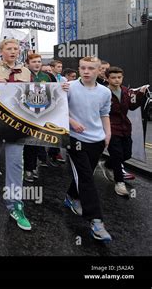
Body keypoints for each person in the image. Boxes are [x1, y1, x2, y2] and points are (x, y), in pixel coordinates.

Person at [0, 39, 33, 231]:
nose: (13, 51)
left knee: (16, 164)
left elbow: (34, 95)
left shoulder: (26, 71)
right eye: (9, 48)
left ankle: (15, 205)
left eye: (16, 49)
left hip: (17, 126)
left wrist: (60, 90)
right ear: (1, 51)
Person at [64, 56, 112, 242]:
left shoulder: (104, 92)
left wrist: (107, 134)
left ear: (99, 70)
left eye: (91, 68)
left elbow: (104, 113)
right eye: (83, 68)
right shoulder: (69, 87)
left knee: (84, 175)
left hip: (97, 140)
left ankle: (70, 196)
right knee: (86, 178)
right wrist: (72, 122)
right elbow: (58, 109)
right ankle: (96, 221)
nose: (86, 71)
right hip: (75, 140)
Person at [98, 67, 147, 197]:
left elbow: (131, 106)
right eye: (113, 77)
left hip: (125, 127)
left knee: (127, 154)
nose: (117, 80)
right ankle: (119, 183)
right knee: (118, 155)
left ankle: (107, 164)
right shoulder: (103, 92)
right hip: (110, 127)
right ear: (107, 78)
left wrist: (141, 95)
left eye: (119, 77)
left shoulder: (125, 91)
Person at [23, 54, 56, 182]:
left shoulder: (47, 77)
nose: (37, 64)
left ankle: (33, 166)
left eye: (39, 61)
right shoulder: (24, 75)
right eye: (34, 61)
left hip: (42, 114)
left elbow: (55, 92)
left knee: (38, 142)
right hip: (26, 114)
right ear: (28, 63)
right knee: (28, 142)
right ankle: (28, 169)